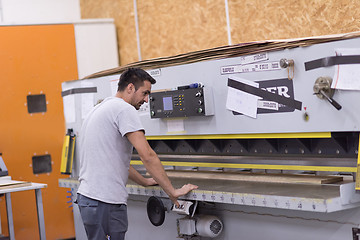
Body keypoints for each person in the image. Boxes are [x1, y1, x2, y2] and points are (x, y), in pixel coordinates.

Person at [76, 67, 198, 240]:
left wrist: (145, 181)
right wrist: (172, 191)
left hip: (89, 200)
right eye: (145, 93)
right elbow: (147, 155)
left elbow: (114, 160)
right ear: (130, 88)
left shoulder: (98, 109)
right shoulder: (124, 109)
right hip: (105, 202)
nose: (147, 100)